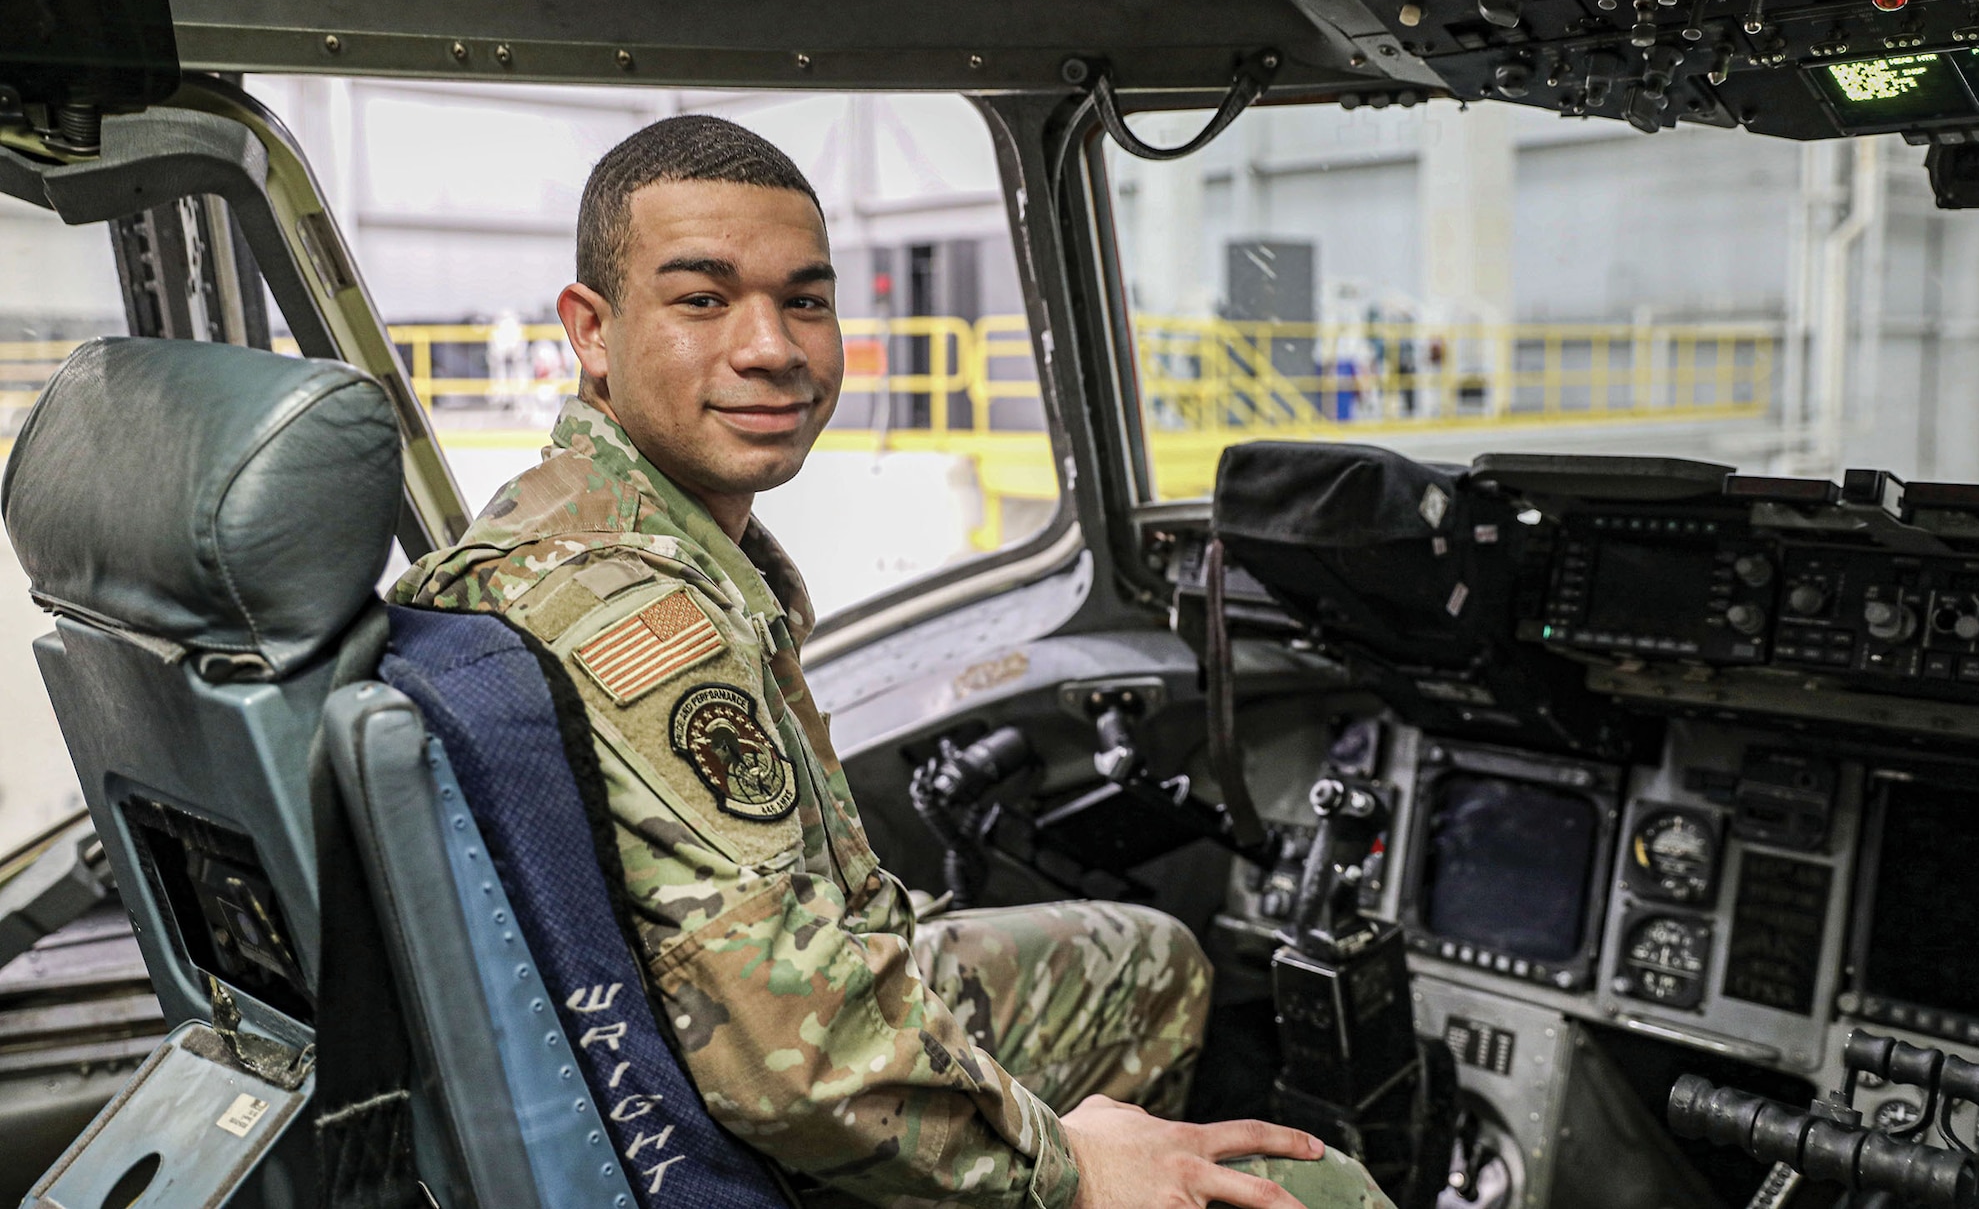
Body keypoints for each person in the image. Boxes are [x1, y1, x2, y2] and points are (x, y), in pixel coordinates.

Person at [393, 114, 1393, 1209]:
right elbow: (797, 1062)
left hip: (698, 1044)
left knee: (1151, 961)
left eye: (804, 299)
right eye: (702, 299)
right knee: (1321, 1187)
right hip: (744, 1110)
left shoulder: (548, 530)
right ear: (590, 329)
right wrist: (1067, 1166)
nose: (770, 345)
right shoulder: (642, 618)